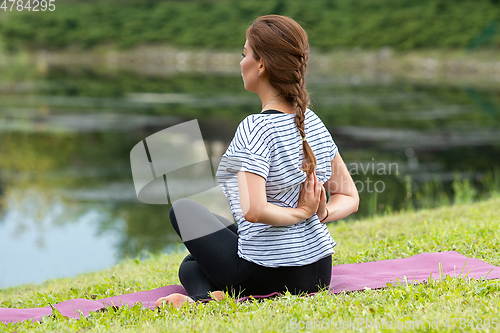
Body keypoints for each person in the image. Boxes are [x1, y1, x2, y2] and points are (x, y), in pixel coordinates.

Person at [155, 14, 359, 308]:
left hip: (270, 274)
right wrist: (321, 212)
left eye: (244, 54)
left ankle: (202, 301)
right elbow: (350, 196)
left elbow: (254, 210)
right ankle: (208, 295)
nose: (241, 63)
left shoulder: (254, 128)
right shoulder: (313, 121)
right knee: (192, 263)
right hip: (317, 272)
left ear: (261, 63)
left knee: (182, 210)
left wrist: (304, 212)